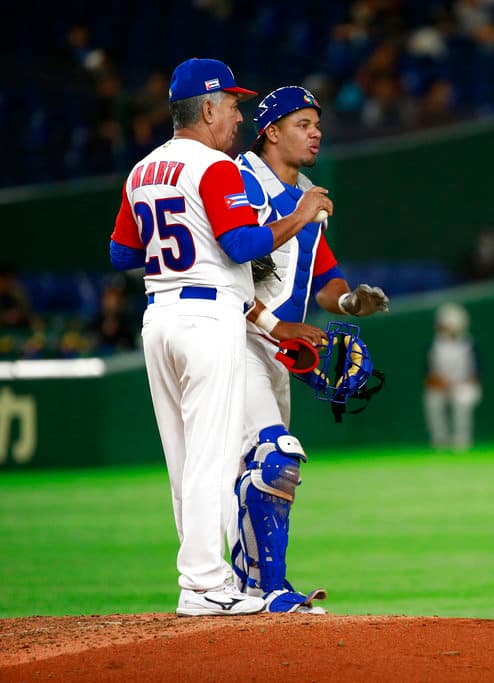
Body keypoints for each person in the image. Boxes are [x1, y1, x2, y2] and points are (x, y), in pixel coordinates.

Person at [108, 58, 333, 617]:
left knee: (185, 458)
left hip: (159, 315)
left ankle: (199, 581)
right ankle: (209, 583)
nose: (237, 115)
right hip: (209, 318)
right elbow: (241, 245)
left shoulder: (142, 170)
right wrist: (300, 215)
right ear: (206, 108)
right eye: (231, 105)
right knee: (213, 456)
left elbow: (122, 254)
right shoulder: (215, 166)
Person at [231, 85, 390, 614]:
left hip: (277, 347)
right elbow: (230, 269)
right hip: (237, 338)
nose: (315, 131)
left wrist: (348, 300)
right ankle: (269, 590)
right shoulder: (241, 180)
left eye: (317, 123)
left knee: (259, 470)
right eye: (302, 122)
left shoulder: (308, 193)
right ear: (271, 131)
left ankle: (251, 588)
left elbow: (321, 272)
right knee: (276, 460)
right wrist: (276, 325)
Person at [424, 302, 481, 452]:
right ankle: (440, 442)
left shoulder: (469, 344)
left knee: (462, 399)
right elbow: (429, 375)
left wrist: (459, 384)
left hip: (464, 386)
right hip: (442, 387)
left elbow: (475, 374)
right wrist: (441, 383)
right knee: (433, 399)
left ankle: (461, 442)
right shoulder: (434, 345)